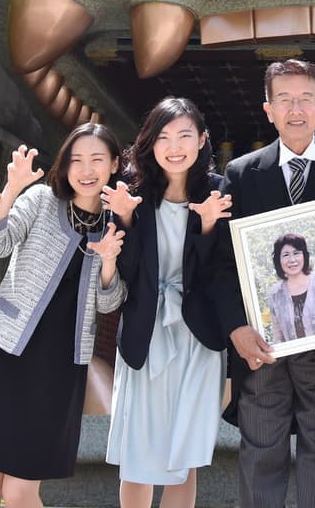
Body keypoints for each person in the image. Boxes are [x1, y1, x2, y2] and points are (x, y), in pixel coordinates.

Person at [209, 59, 315, 508]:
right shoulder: (241, 173)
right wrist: (236, 328)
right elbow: (223, 265)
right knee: (259, 458)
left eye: (306, 99)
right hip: (262, 346)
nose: (296, 109)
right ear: (268, 110)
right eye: (284, 99)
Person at [0, 123, 127, 508]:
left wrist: (109, 261)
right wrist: (10, 190)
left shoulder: (118, 224)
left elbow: (109, 304)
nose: (86, 170)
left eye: (97, 159)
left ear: (114, 165)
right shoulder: (42, 200)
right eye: (76, 160)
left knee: (20, 490)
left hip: (59, 371)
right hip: (2, 353)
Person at [105, 97, 232, 508]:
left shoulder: (218, 191)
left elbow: (221, 271)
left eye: (184, 136)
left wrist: (208, 226)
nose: (174, 147)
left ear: (202, 140)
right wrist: (124, 219)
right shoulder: (133, 192)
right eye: (163, 137)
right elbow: (127, 269)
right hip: (146, 330)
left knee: (185, 452)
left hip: (197, 336)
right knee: (138, 450)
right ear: (150, 142)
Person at [265, 233, 315, 342]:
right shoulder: (275, 294)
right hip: (296, 353)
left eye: (296, 253)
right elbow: (278, 337)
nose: (292, 260)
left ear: (304, 255)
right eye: (286, 255)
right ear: (278, 260)